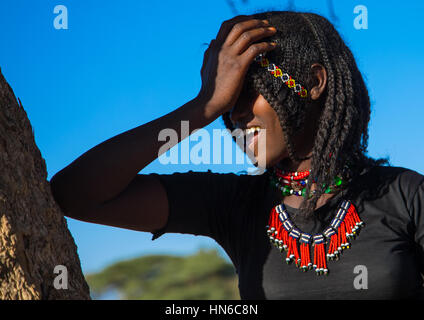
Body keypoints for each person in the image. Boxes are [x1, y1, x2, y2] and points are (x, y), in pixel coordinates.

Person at [49, 11, 424, 299]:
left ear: (313, 82)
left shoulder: (405, 195)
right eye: (229, 99)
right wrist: (203, 106)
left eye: (250, 91)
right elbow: (75, 194)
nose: (236, 112)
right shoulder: (236, 205)